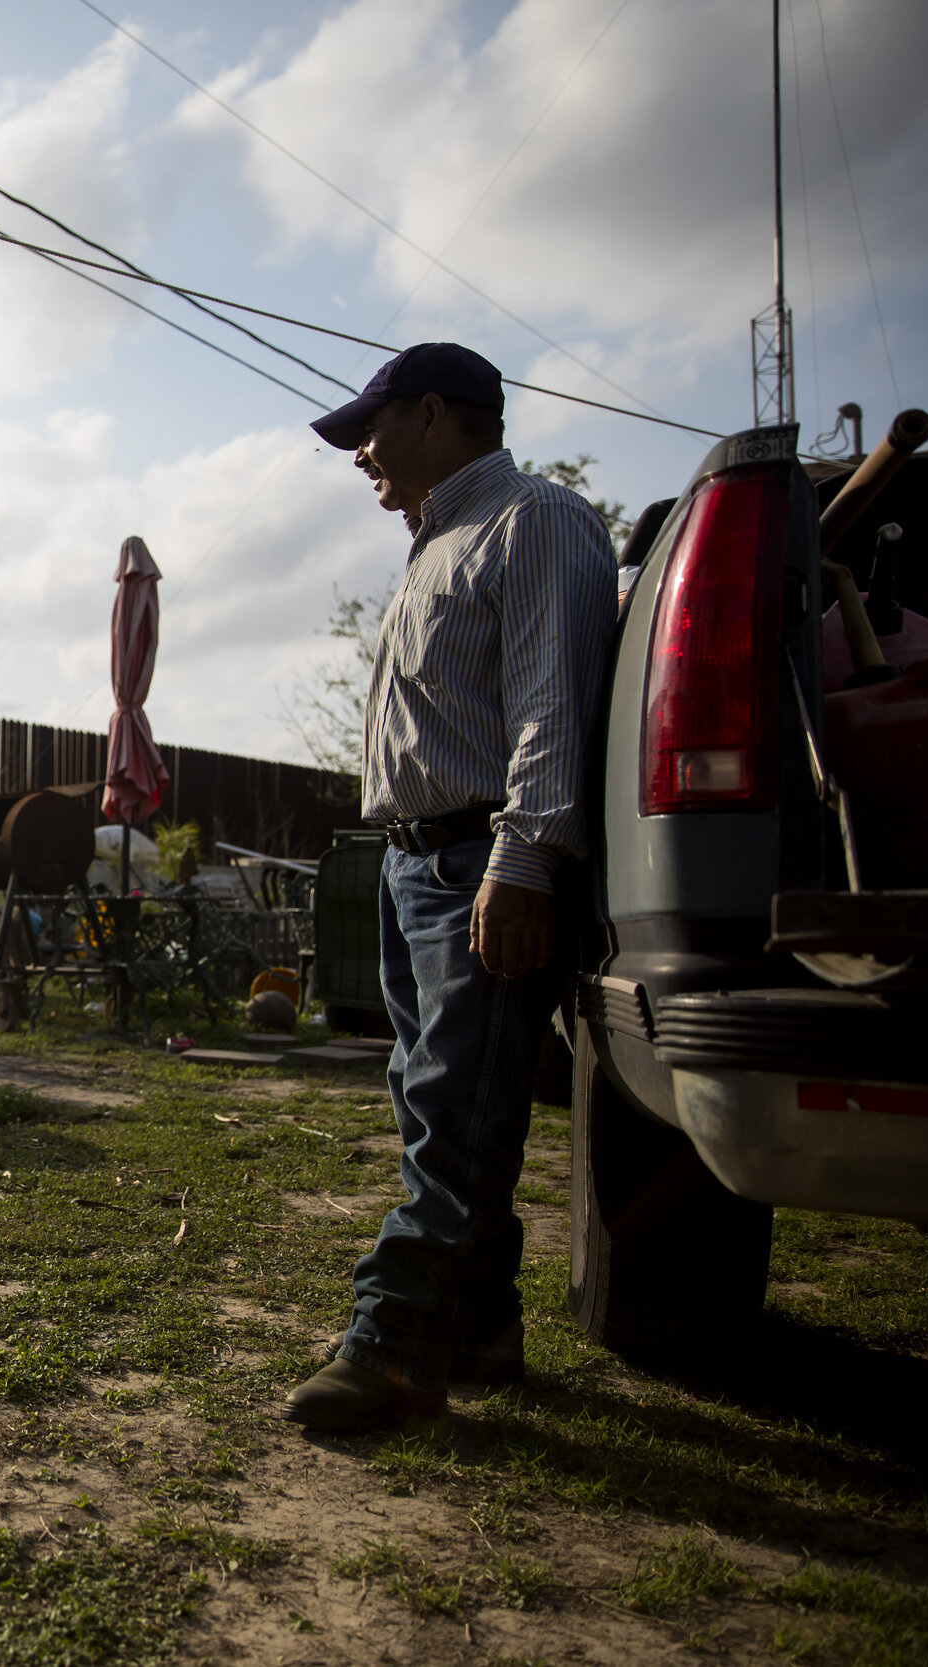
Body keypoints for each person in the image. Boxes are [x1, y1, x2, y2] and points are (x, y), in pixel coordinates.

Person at [282, 342, 616, 1434]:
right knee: (441, 1103)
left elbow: (551, 706)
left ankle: (393, 1346)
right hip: (415, 861)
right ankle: (478, 1326)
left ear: (433, 414)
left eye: (368, 432)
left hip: (482, 861)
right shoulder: (437, 546)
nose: (358, 457)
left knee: (454, 1114)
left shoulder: (535, 521)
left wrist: (522, 861)